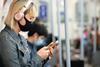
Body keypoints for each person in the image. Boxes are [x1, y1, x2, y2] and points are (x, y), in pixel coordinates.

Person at [0, 0, 55, 67]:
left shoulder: (22, 39)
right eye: (30, 18)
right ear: (18, 15)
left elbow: (30, 64)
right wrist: (38, 57)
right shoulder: (5, 39)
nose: (32, 23)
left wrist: (44, 57)